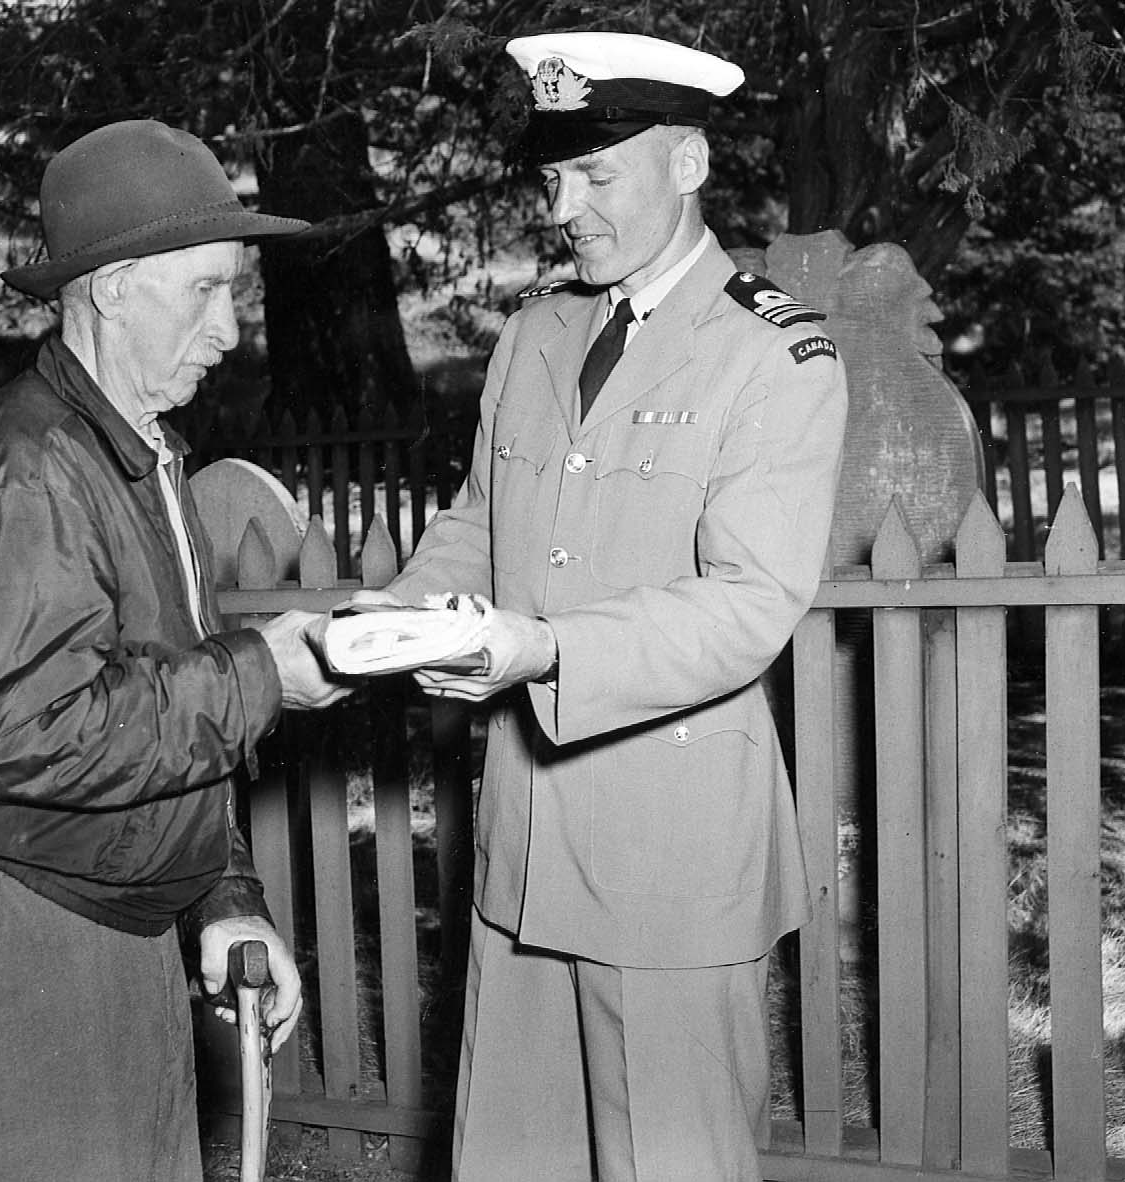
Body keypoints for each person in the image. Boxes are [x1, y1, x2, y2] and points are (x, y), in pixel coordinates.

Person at [360, 32, 850, 1182]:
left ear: (687, 163)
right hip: (524, 847)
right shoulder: (535, 332)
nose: (562, 210)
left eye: (594, 174)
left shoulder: (772, 355)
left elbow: (747, 604)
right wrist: (401, 613)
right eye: (551, 178)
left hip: (669, 858)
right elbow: (479, 523)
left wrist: (540, 649)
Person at [0, 119, 351, 1182]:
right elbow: (27, 734)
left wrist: (225, 900)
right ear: (112, 289)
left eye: (235, 293)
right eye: (205, 291)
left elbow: (151, 704)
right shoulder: (25, 472)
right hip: (23, 928)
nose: (229, 330)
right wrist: (263, 674)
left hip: (112, 911)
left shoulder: (137, 454)